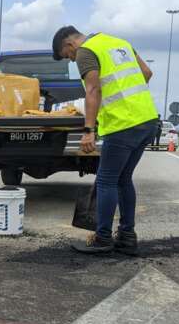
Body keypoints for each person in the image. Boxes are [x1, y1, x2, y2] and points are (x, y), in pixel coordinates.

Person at [52, 26, 159, 254]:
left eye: (67, 56)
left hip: (122, 124)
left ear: (69, 45)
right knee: (123, 179)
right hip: (147, 119)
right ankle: (127, 236)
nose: (72, 60)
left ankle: (103, 238)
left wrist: (89, 129)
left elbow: (93, 90)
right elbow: (147, 73)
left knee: (106, 181)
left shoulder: (85, 51)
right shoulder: (119, 42)